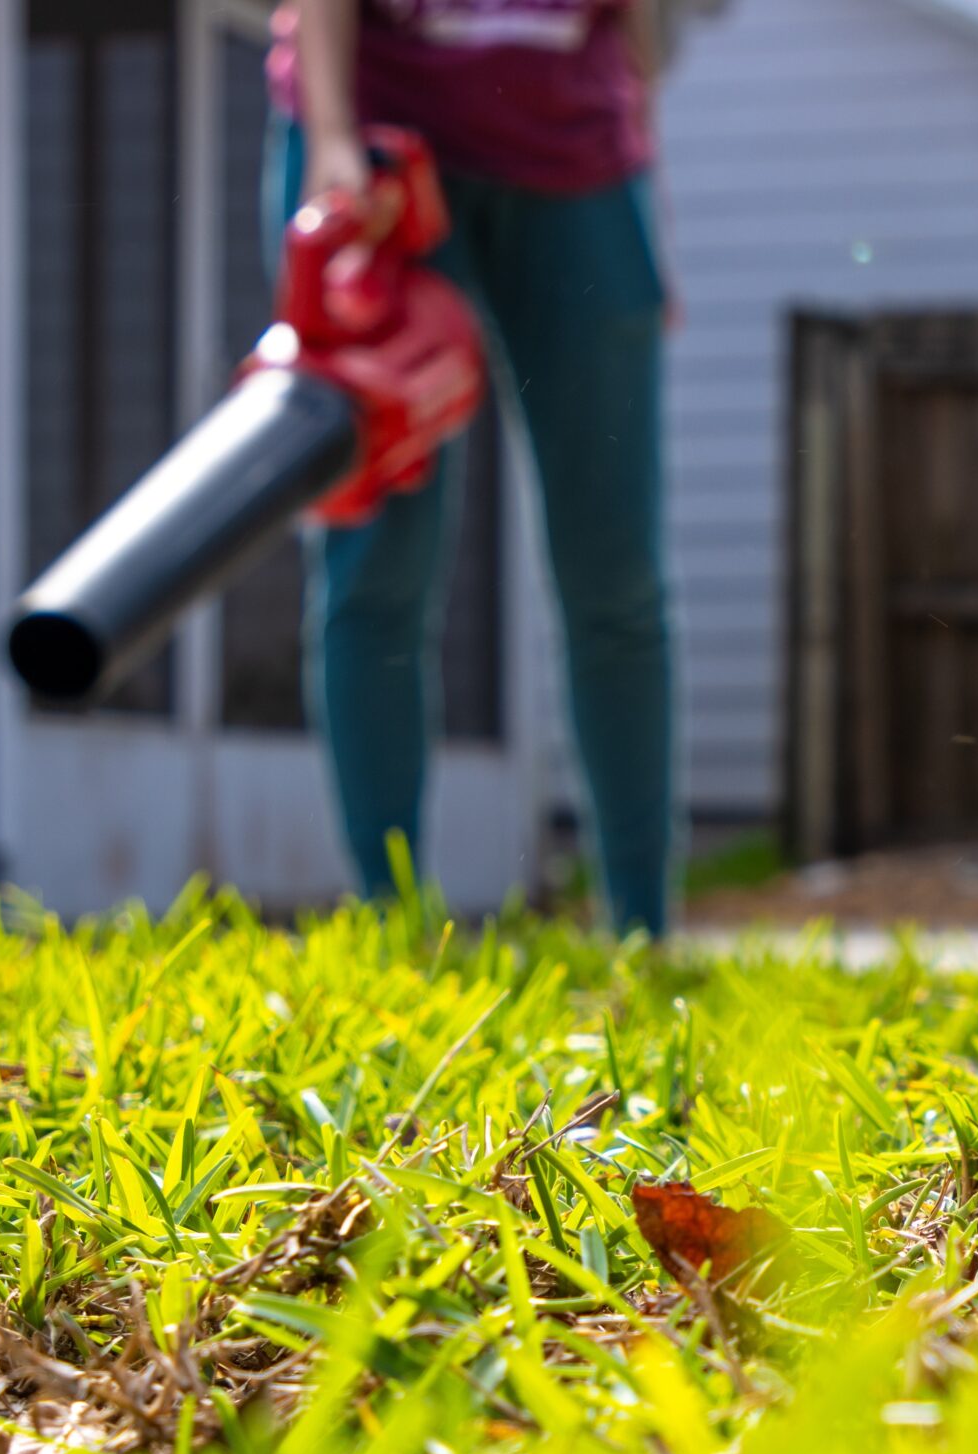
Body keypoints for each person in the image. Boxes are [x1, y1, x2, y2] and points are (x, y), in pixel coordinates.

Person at [269, 0, 679, 933]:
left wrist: (649, 210)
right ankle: (393, 923)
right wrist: (332, 140)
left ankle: (644, 932)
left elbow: (634, 25)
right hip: (381, 133)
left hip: (577, 156)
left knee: (616, 571)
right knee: (380, 556)